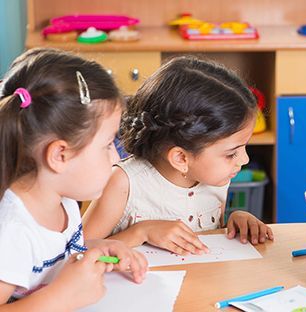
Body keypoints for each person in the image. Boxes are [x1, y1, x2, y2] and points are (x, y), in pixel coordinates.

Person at [0, 48, 147, 310]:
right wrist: (59, 298)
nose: (115, 157)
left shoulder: (63, 201)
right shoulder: (11, 231)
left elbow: (48, 260)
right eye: (106, 145)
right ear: (60, 155)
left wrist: (98, 248)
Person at [83, 56, 273, 255]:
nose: (245, 160)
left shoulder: (215, 178)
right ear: (181, 159)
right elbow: (76, 254)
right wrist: (141, 233)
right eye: (232, 153)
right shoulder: (123, 183)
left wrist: (234, 221)